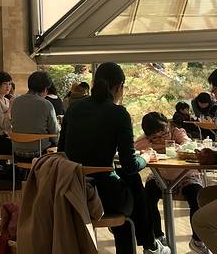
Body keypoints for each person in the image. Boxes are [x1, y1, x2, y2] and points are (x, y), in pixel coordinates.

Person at [58, 62, 168, 254]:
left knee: (125, 184)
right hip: (104, 199)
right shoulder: (119, 114)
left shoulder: (73, 109)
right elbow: (130, 165)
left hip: (72, 192)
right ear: (119, 87)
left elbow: (61, 152)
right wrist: (146, 156)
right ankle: (150, 244)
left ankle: (150, 244)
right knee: (131, 181)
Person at [135, 112, 207, 254]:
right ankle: (157, 237)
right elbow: (137, 146)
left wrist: (163, 146)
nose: (161, 139)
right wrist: (162, 146)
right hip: (160, 177)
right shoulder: (144, 139)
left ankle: (197, 240)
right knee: (147, 197)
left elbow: (188, 144)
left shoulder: (177, 132)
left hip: (185, 176)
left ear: (168, 126)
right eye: (155, 137)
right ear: (148, 136)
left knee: (197, 197)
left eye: (164, 134)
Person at [11, 71, 58, 160]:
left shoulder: (15, 101)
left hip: (17, 151)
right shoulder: (46, 104)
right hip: (39, 153)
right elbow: (54, 133)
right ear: (45, 89)